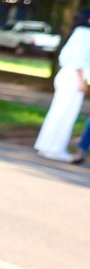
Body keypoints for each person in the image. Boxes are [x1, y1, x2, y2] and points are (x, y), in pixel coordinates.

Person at [35, 12, 90, 164]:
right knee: (66, 114)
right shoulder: (86, 35)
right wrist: (81, 81)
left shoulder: (78, 33)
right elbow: (79, 60)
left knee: (57, 112)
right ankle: (55, 149)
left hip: (66, 74)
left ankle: (45, 145)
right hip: (74, 77)